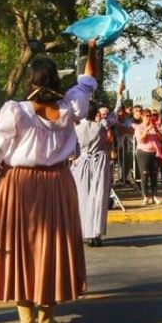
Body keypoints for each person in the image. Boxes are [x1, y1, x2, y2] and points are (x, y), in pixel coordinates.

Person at [0, 40, 98, 323]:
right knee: (50, 248)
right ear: (56, 80)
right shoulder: (70, 107)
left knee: (19, 248)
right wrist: (91, 48)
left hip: (19, 184)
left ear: (31, 81)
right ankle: (45, 318)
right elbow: (88, 80)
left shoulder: (16, 110)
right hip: (57, 182)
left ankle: (27, 317)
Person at [71, 86, 118, 248]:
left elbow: (72, 149)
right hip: (98, 162)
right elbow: (115, 114)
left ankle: (86, 232)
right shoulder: (100, 126)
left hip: (82, 163)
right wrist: (118, 94)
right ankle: (95, 234)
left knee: (83, 196)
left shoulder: (77, 129)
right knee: (98, 197)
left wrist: (73, 158)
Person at [135, 108, 162, 205]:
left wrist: (155, 128)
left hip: (155, 153)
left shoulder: (155, 126)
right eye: (147, 116)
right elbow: (141, 139)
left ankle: (155, 196)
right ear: (142, 116)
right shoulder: (139, 127)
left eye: (150, 115)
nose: (149, 118)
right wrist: (147, 129)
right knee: (145, 175)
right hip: (143, 152)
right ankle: (145, 197)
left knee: (154, 175)